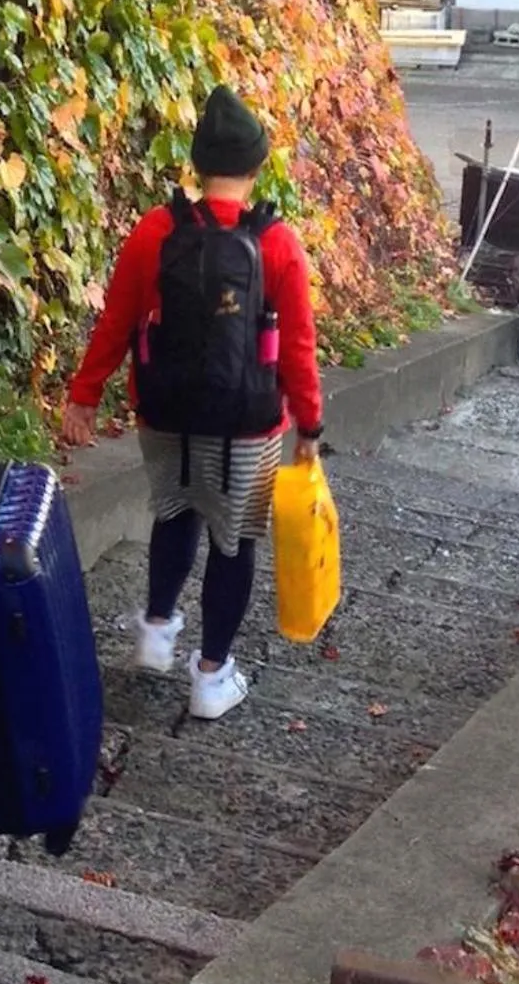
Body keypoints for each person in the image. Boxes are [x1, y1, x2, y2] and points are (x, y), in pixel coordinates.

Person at [61, 86, 323, 721]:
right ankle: (210, 677)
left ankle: (155, 632)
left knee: (174, 512)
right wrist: (310, 425)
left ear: (197, 164)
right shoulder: (277, 244)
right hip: (246, 428)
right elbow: (298, 347)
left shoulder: (156, 231)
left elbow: (117, 321)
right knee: (234, 543)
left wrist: (84, 395)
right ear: (257, 166)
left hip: (165, 415)